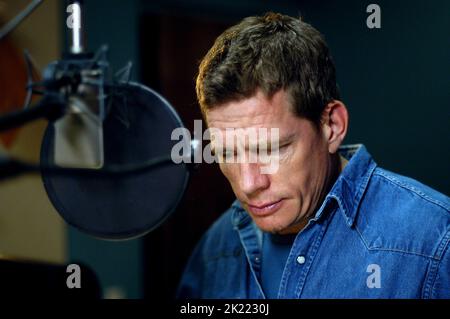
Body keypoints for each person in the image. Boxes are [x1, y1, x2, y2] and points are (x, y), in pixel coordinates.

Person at [177, 12, 450, 298]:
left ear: (332, 126)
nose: (248, 184)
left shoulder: (434, 244)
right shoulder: (216, 249)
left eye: (270, 149)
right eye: (226, 153)